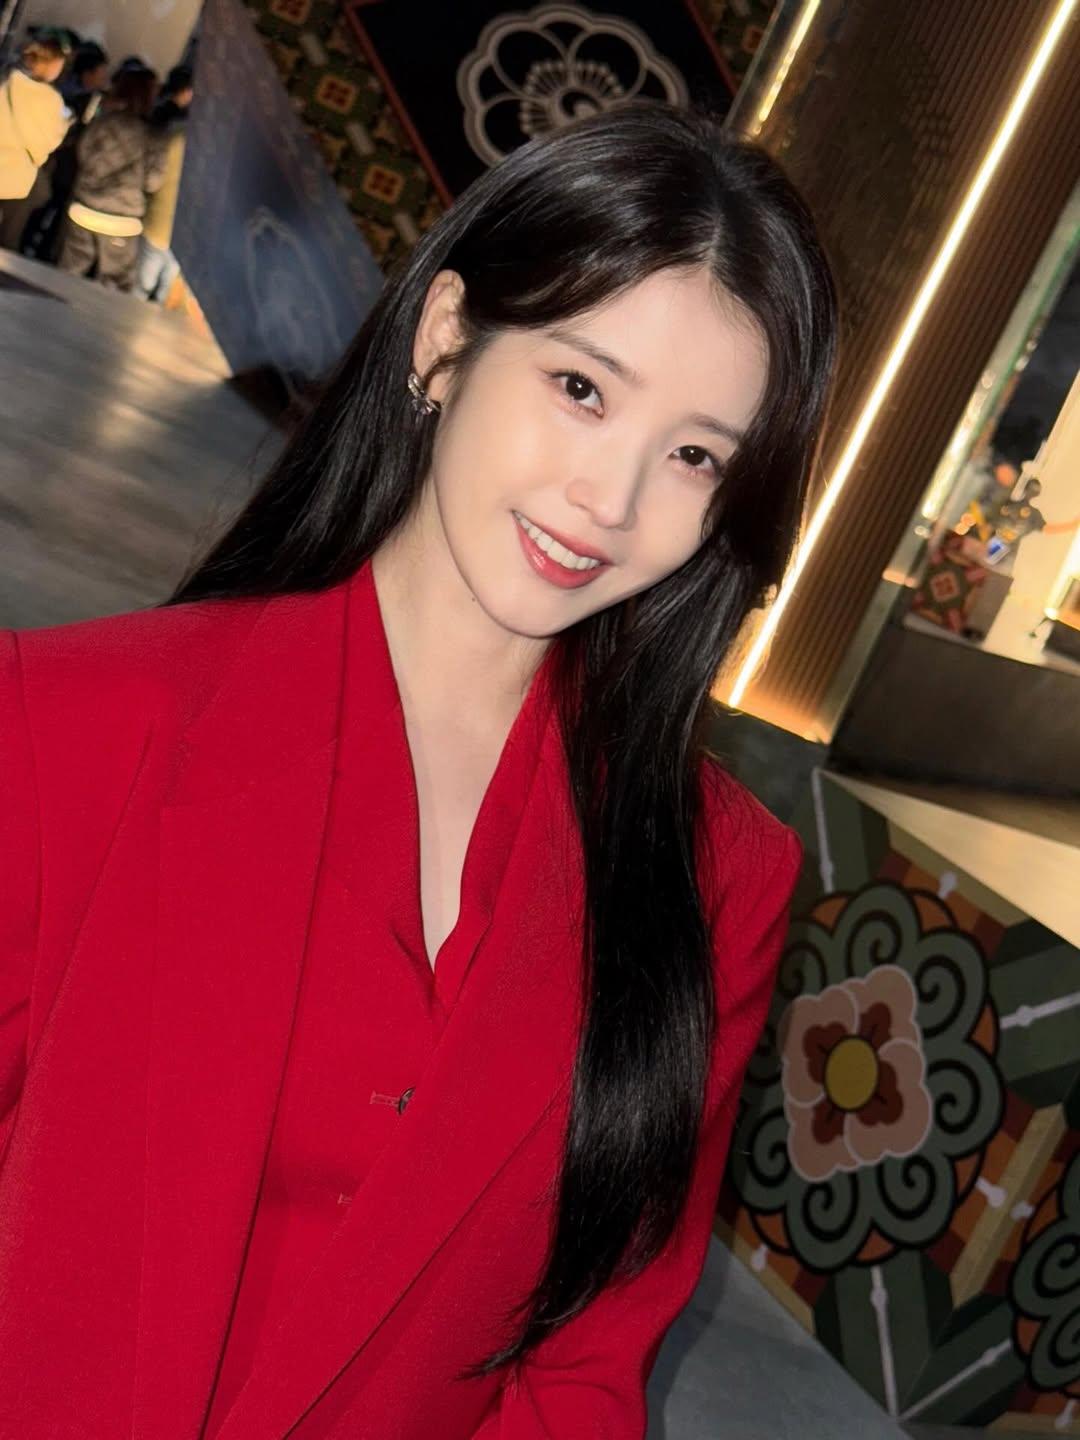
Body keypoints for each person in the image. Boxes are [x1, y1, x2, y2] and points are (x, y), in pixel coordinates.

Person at [0, 103, 837, 1437]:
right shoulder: (73, 729)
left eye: (693, 456)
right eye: (582, 388)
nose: (611, 500)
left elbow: (589, 1353)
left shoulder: (715, 875)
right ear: (446, 337)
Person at [57, 64, 164, 290]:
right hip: (122, 218)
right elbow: (153, 181)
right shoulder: (151, 137)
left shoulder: (102, 123)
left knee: (68, 275)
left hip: (85, 208)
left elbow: (82, 154)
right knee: (114, 286)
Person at [0, 33, 70, 252]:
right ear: (52, 64)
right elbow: (48, 143)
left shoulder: (6, 80)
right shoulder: (50, 99)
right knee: (7, 239)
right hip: (17, 178)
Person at [136, 63, 194, 303]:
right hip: (185, 231)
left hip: (158, 219)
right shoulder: (213, 150)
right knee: (164, 292)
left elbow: (153, 177)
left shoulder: (173, 133)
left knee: (140, 287)